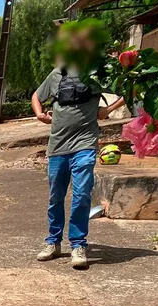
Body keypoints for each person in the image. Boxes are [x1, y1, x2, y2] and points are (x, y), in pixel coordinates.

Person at [32, 58, 123, 269]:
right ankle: (53, 242)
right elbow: (37, 95)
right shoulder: (57, 74)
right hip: (57, 146)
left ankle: (78, 244)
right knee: (56, 196)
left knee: (82, 194)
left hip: (85, 144)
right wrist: (39, 114)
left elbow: (128, 88)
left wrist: (107, 110)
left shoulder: (97, 74)